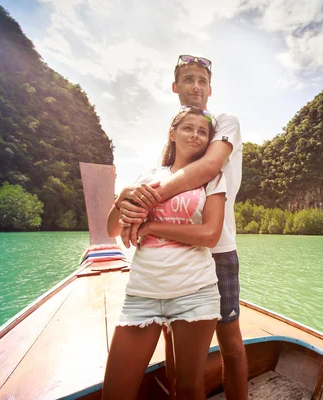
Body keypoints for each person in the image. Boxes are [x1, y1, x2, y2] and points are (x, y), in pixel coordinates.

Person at [117, 55, 248, 400]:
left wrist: (145, 206)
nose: (195, 87)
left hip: (217, 247)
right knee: (174, 348)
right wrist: (127, 197)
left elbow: (208, 167)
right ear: (175, 88)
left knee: (231, 343)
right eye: (188, 80)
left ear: (210, 88)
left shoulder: (223, 123)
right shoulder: (174, 145)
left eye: (202, 81)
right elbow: (151, 188)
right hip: (176, 257)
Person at [103, 106, 226, 400]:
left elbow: (210, 235)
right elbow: (111, 230)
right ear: (172, 133)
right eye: (188, 128)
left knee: (188, 388)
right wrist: (121, 199)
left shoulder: (213, 178)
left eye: (202, 131)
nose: (195, 135)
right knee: (115, 392)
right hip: (142, 295)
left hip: (195, 292)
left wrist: (151, 227)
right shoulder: (148, 177)